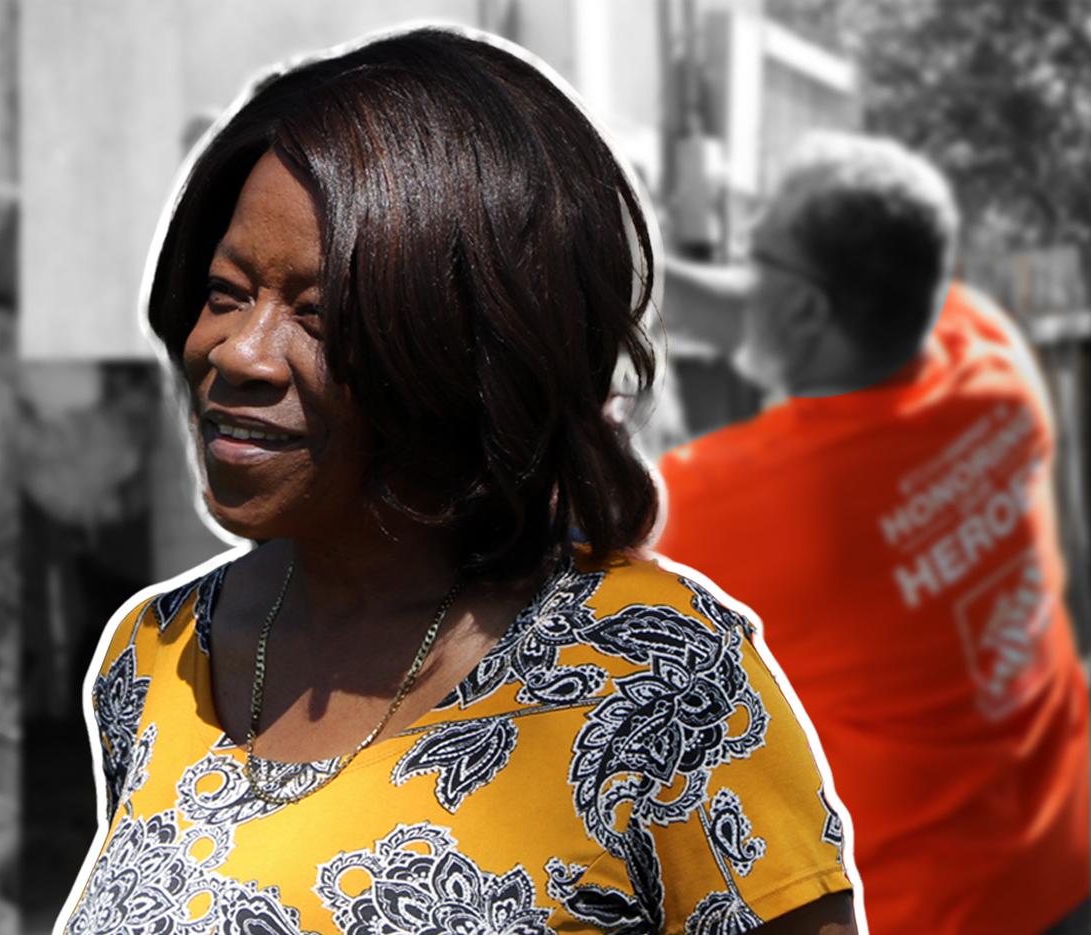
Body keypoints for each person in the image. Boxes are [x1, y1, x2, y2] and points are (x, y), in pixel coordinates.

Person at [57, 27, 861, 935]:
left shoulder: (659, 684)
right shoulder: (156, 657)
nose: (239, 352)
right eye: (227, 292)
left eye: (320, 316)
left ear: (464, 353)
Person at [654, 133, 1091, 935]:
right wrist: (638, 264)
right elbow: (774, 312)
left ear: (808, 305)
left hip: (937, 913)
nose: (746, 272)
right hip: (1065, 853)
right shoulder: (987, 357)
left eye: (760, 254)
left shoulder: (746, 502)